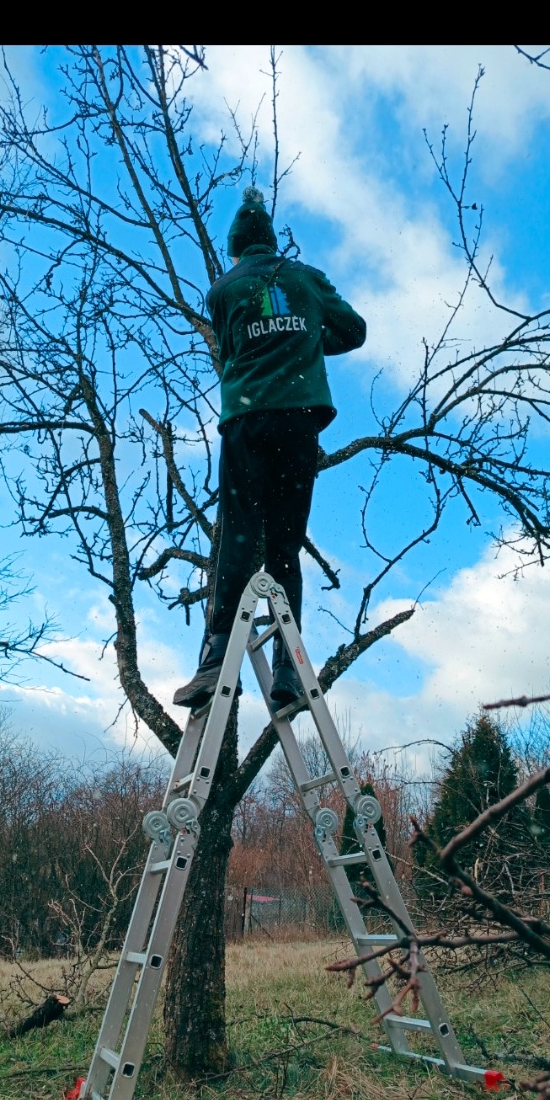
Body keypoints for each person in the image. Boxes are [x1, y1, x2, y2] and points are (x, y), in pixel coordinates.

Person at [173, 187, 366, 712]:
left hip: (247, 420)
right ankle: (288, 670)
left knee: (236, 537)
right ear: (272, 241)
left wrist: (269, 343)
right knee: (285, 543)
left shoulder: (221, 290)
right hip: (300, 420)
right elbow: (354, 330)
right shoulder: (306, 279)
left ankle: (213, 662)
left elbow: (231, 348)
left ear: (236, 248)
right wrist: (303, 340)